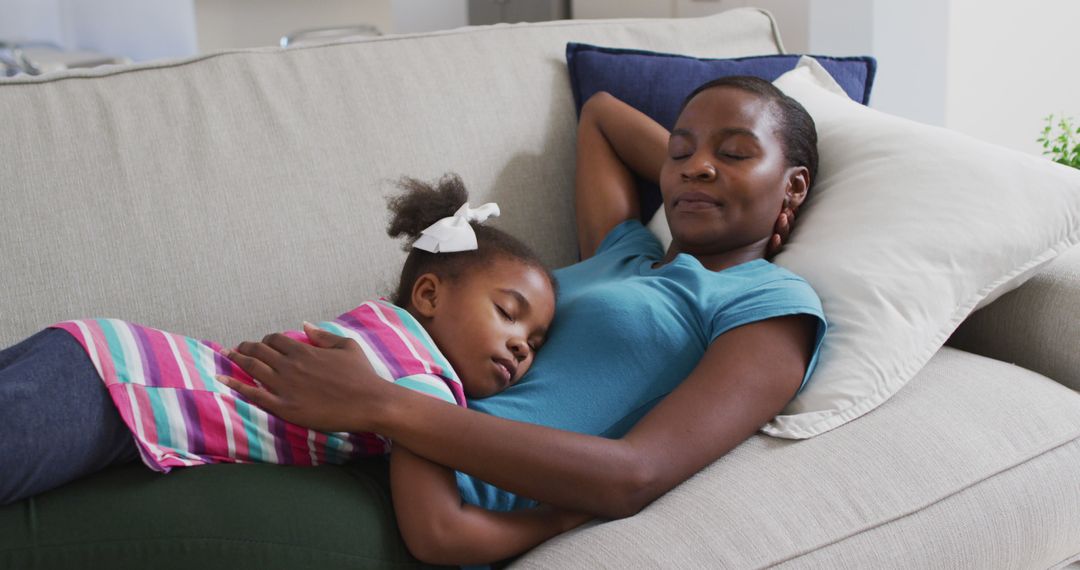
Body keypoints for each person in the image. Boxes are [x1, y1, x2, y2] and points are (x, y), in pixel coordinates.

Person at [219, 75, 829, 561]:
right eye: (680, 150)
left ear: (795, 186)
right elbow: (602, 114)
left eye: (735, 152)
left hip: (424, 513)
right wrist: (706, 166)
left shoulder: (768, 304)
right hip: (336, 441)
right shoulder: (622, 250)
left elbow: (635, 475)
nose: (697, 166)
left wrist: (383, 404)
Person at [0, 174, 592, 564]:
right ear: (430, 296)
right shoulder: (420, 381)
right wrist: (553, 520)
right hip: (116, 391)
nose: (521, 347)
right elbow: (437, 534)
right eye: (508, 315)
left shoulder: (377, 332)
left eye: (536, 341)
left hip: (103, 362)